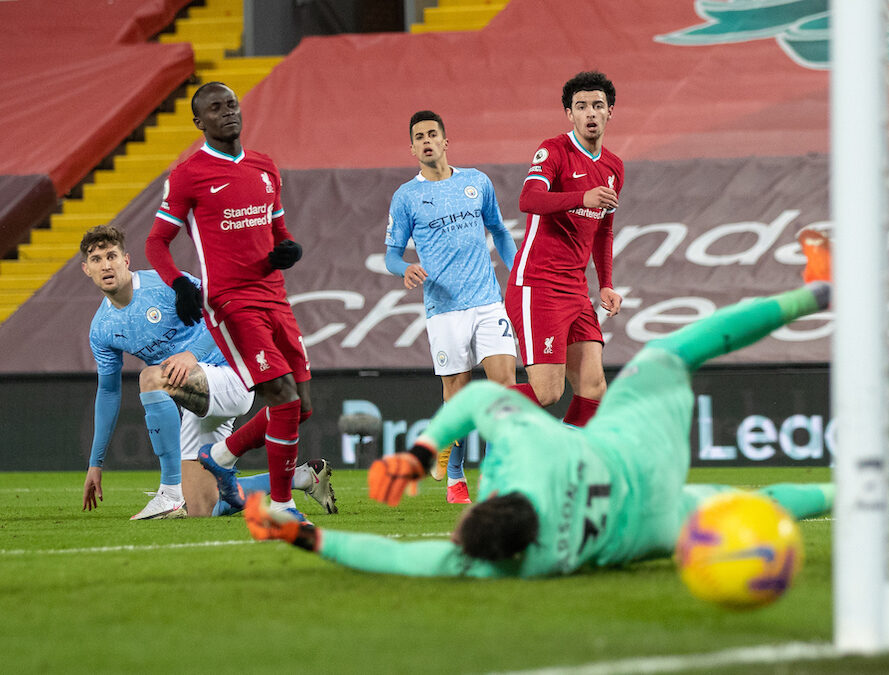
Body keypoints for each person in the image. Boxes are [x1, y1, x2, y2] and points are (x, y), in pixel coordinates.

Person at [245, 278, 835, 578]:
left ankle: (852, 492)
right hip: (632, 449)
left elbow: (392, 560)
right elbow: (476, 403)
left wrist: (301, 537)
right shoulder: (533, 449)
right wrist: (421, 455)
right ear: (495, 502)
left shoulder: (520, 564)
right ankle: (810, 297)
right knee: (668, 355)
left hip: (654, 522)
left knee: (747, 507)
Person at [79, 226, 336, 519]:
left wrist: (192, 355)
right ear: (86, 269)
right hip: (196, 395)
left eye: (111, 256)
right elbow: (109, 391)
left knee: (151, 377)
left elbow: (230, 308)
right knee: (203, 508)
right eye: (97, 259)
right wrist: (95, 463)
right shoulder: (102, 328)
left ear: (126, 260)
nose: (106, 265)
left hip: (232, 372)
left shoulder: (166, 284)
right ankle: (304, 478)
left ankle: (169, 493)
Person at [145, 81, 315, 523]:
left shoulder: (264, 167)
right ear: (199, 122)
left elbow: (281, 234)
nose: (228, 113)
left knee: (301, 404)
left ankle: (221, 454)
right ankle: (283, 507)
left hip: (275, 296)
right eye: (216, 108)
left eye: (232, 105)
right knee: (281, 396)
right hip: (231, 302)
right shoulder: (188, 175)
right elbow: (156, 244)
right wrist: (182, 284)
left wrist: (290, 250)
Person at [384, 110, 518, 504]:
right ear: (412, 148)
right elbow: (391, 255)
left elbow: (500, 231)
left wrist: (519, 272)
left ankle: (493, 478)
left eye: (432, 134)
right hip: (444, 309)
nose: (426, 141)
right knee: (457, 399)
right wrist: (405, 268)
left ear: (446, 141)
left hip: (488, 301)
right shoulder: (406, 196)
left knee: (502, 390)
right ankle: (455, 476)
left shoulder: (477, 182)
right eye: (419, 137)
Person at [505, 71, 624, 428]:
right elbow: (528, 199)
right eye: (581, 106)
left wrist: (605, 283)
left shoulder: (614, 167)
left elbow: (604, 229)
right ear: (569, 114)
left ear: (610, 112)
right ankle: (462, 415)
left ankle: (566, 469)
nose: (590, 113)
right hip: (538, 285)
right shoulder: (554, 150)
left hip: (576, 290)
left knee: (594, 387)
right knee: (547, 393)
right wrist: (580, 197)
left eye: (597, 106)